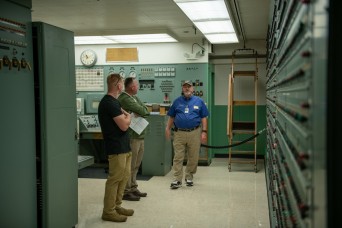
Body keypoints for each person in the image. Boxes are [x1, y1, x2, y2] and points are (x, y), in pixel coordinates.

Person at [98, 73, 133, 222]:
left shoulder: (115, 102)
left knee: (124, 177)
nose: (123, 86)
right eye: (123, 83)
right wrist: (129, 116)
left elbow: (123, 121)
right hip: (116, 148)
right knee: (115, 179)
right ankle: (109, 211)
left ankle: (117, 206)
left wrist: (126, 116)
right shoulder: (109, 103)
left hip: (124, 147)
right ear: (118, 85)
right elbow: (124, 126)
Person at [165, 80, 209, 189]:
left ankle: (189, 176)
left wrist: (204, 132)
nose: (187, 89)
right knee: (178, 157)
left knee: (193, 156)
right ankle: (177, 179)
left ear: (193, 89)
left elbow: (204, 117)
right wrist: (167, 128)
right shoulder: (177, 102)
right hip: (179, 133)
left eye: (189, 87)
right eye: (185, 87)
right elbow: (171, 116)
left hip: (194, 132)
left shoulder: (199, 101)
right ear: (182, 89)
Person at [118, 77, 150, 201]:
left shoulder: (134, 98)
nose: (138, 87)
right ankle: (126, 191)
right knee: (130, 165)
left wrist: (141, 111)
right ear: (132, 87)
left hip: (139, 135)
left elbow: (146, 111)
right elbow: (141, 110)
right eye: (137, 85)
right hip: (132, 136)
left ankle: (133, 187)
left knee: (136, 164)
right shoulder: (124, 98)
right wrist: (141, 111)